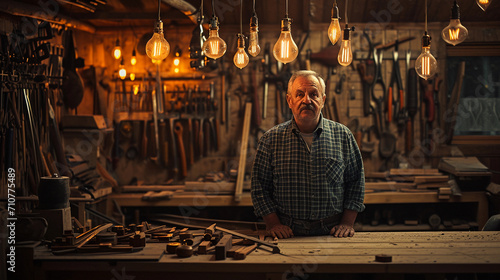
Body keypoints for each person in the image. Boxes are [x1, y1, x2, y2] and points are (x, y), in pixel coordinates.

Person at [251, 70, 365, 239]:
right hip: (287, 234)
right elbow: (259, 187)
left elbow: (356, 181)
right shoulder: (270, 139)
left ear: (323, 100)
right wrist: (273, 224)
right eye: (299, 94)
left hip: (332, 234)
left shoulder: (343, 136)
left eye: (314, 94)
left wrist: (347, 223)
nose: (307, 100)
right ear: (290, 101)